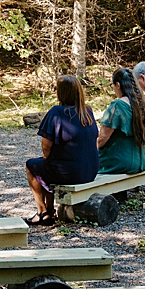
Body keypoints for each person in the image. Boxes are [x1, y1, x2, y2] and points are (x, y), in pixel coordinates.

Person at [24, 75, 100, 226]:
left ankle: (42, 211)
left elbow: (46, 145)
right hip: (90, 170)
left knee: (32, 166)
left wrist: (46, 157)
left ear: (61, 93)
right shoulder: (87, 111)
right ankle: (50, 210)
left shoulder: (56, 112)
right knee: (46, 167)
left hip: (70, 173)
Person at [97, 68, 145, 175]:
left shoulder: (117, 106)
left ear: (118, 85)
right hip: (142, 161)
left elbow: (102, 139)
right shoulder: (143, 103)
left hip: (122, 163)